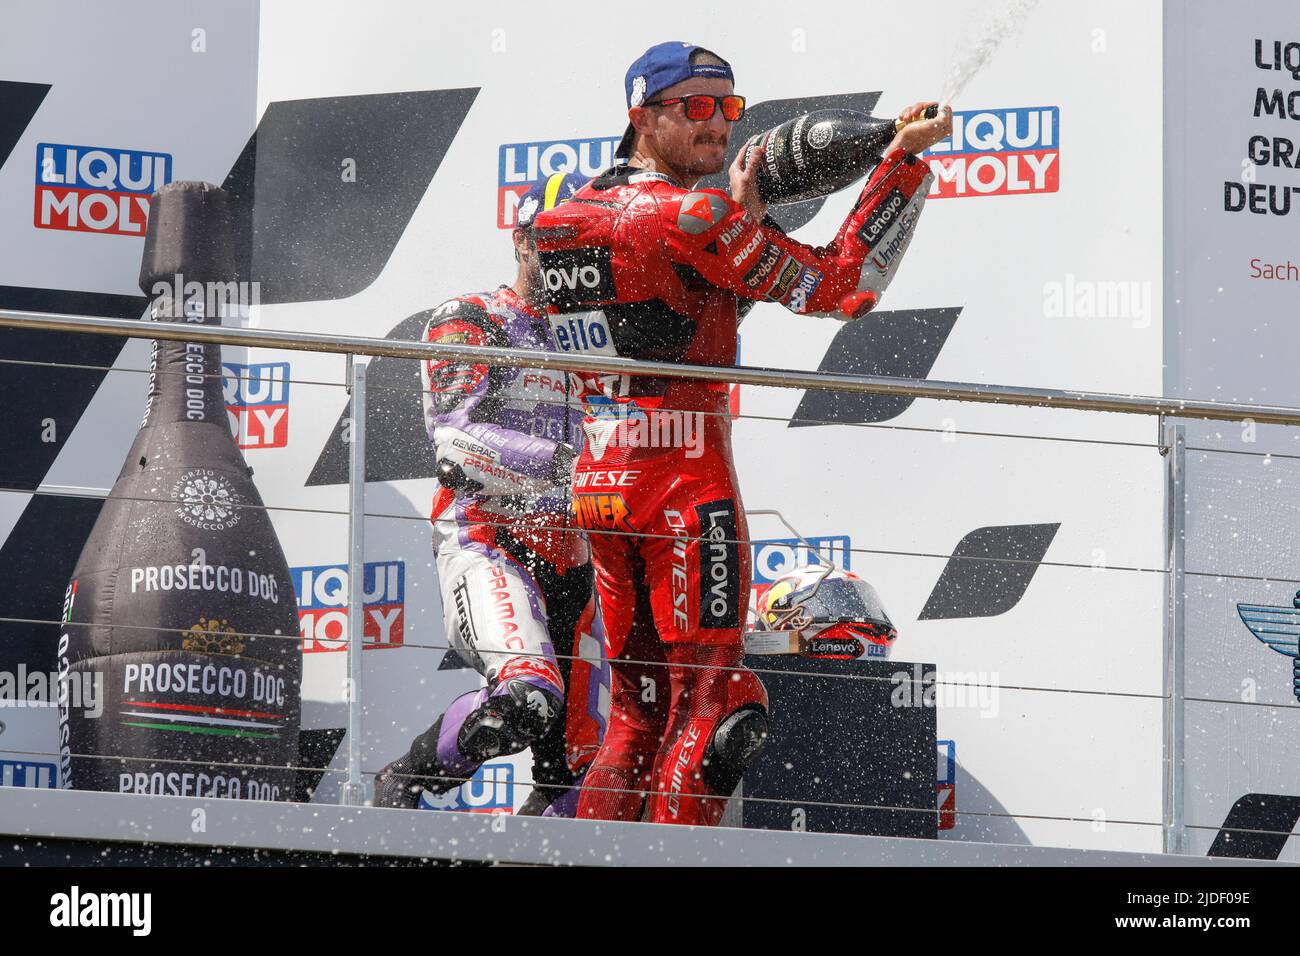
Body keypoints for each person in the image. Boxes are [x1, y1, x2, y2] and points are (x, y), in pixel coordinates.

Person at [532, 41, 952, 825]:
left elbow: (663, 315)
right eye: (694, 107)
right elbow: (843, 286)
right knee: (718, 707)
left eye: (728, 107)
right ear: (641, 114)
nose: (718, 124)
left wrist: (743, 219)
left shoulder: (558, 218)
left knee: (635, 712)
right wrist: (900, 163)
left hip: (599, 484)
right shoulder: (697, 215)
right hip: (687, 491)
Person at [374, 173, 609, 817]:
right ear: (521, 240)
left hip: (582, 562)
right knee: (526, 696)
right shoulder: (472, 317)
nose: (561, 256)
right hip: (489, 539)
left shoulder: (602, 339)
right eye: (549, 241)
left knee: (590, 772)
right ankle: (406, 787)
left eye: (577, 245)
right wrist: (571, 470)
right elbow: (454, 441)